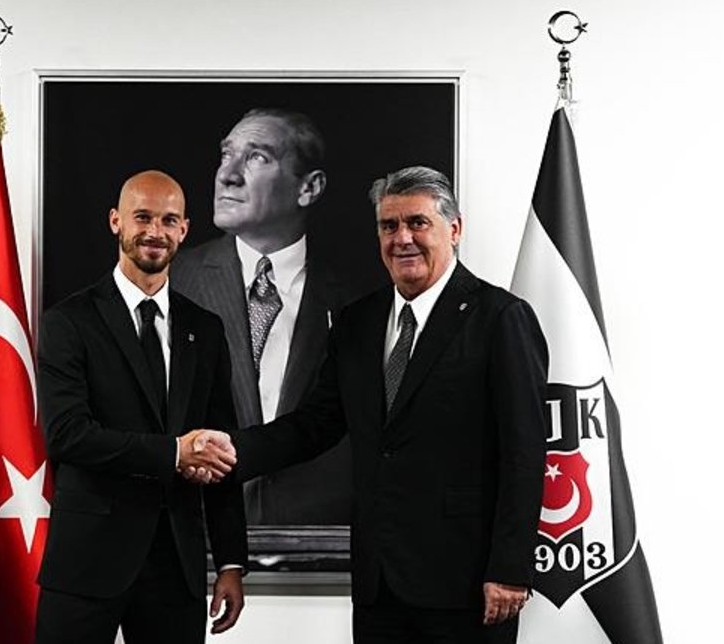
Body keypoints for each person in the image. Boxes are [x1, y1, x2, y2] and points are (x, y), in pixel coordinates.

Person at [217, 166, 549, 642]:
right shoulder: (358, 322)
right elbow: (316, 424)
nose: (402, 238)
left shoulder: (500, 318)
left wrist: (511, 569)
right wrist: (232, 450)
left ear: (454, 230)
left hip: (467, 583)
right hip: (379, 586)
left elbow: (524, 453)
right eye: (388, 225)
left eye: (417, 223)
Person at [34, 170, 247, 644]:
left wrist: (231, 561)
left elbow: (220, 449)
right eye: (143, 217)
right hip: (86, 562)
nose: (155, 231)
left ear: (184, 230)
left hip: (176, 566)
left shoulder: (206, 329)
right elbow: (68, 436)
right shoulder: (68, 322)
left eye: (169, 220)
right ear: (116, 221)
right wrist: (174, 453)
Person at [172, 108, 354, 526]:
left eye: (257, 157)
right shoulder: (173, 283)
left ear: (309, 188)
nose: (227, 175)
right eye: (226, 154)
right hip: (198, 528)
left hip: (321, 536)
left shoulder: (356, 298)